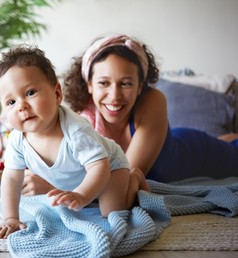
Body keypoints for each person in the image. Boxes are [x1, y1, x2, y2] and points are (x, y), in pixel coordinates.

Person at [0, 45, 149, 239]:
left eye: (30, 93)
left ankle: (133, 178)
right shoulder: (17, 139)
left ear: (57, 94)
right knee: (84, 200)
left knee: (111, 210)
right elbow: (12, 178)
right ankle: (88, 192)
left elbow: (100, 167)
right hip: (79, 178)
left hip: (110, 167)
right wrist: (11, 217)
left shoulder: (76, 130)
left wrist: (81, 195)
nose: (22, 106)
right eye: (11, 102)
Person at [61, 33, 238, 183]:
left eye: (126, 83)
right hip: (175, 139)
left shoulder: (153, 100)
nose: (114, 96)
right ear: (89, 85)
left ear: (140, 86)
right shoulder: (81, 124)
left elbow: (124, 180)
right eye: (104, 83)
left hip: (197, 153)